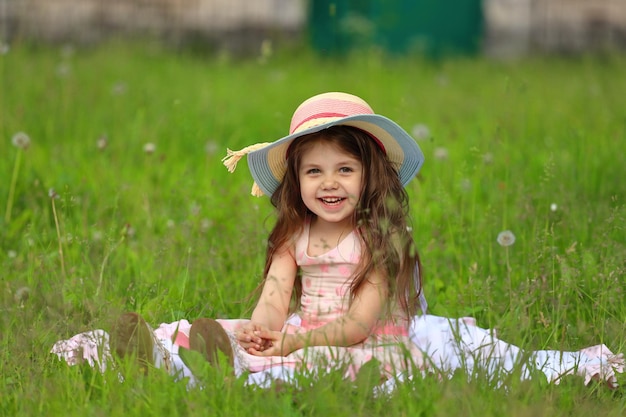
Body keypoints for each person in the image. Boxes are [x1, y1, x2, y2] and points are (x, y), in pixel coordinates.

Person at [51, 92, 624, 389]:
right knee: (234, 338)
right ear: (294, 183)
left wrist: (294, 346)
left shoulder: (378, 244)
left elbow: (357, 325)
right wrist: (263, 326)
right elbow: (278, 292)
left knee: (314, 367)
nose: (329, 184)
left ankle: (218, 368)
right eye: (314, 171)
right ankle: (160, 352)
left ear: (370, 176)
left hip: (363, 341)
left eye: (344, 170)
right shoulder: (294, 235)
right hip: (301, 331)